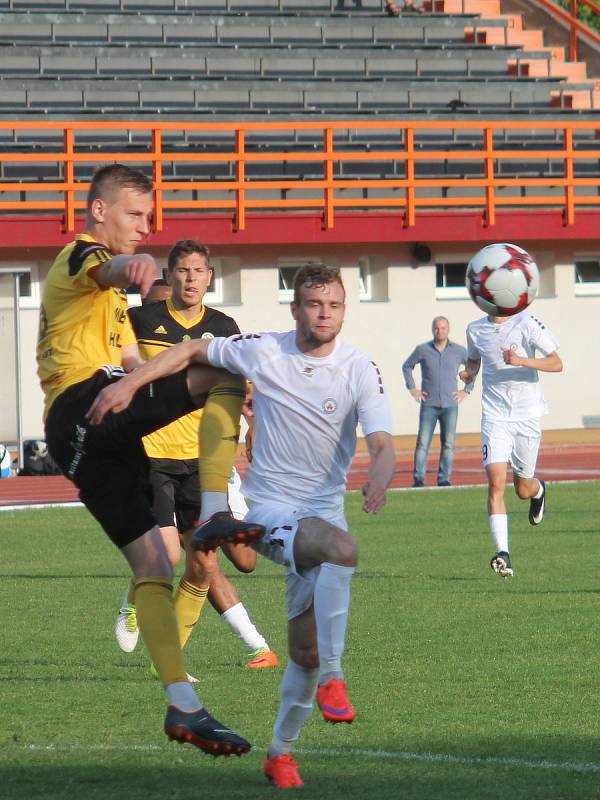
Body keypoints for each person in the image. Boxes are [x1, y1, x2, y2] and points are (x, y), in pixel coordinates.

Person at [86, 263, 396, 789]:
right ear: (295, 308)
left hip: (323, 511)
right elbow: (189, 351)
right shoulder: (263, 348)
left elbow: (383, 443)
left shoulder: (360, 368)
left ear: (344, 310)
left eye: (335, 305)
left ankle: (280, 754)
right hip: (272, 507)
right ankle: (337, 679)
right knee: (343, 550)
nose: (325, 314)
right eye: (314, 304)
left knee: (304, 654)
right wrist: (131, 383)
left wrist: (381, 480)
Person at [37, 163, 265, 757]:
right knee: (219, 371)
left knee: (152, 567)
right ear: (99, 211)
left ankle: (184, 708)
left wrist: (144, 376)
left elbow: (137, 358)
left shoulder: (108, 305)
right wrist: (129, 268)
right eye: (135, 215)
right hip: (85, 408)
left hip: (88, 436)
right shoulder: (80, 258)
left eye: (148, 216)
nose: (146, 227)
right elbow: (104, 265)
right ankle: (215, 507)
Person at [115, 243, 278, 671]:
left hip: (203, 461)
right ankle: (134, 599)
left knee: (206, 564)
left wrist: (255, 424)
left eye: (198, 271)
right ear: (171, 276)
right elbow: (114, 370)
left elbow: (242, 387)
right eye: (183, 271)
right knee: (167, 557)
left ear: (210, 277)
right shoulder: (142, 320)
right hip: (151, 453)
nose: (190, 279)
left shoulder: (224, 327)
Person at [460, 305, 562, 578]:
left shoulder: (526, 322)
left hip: (527, 416)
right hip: (495, 416)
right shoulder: (475, 329)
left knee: (522, 489)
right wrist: (469, 377)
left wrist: (522, 361)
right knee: (495, 483)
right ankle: (503, 553)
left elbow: (556, 362)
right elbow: (473, 361)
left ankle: (538, 490)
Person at [402, 316, 470, 487]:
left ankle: (443, 479)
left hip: (450, 405)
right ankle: (418, 479)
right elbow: (407, 366)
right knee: (423, 443)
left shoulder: (459, 351)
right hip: (429, 405)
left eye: (443, 328)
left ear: (448, 329)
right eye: (437, 328)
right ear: (433, 329)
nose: (440, 331)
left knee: (448, 444)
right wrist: (413, 388)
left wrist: (466, 390)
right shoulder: (422, 350)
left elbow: (473, 368)